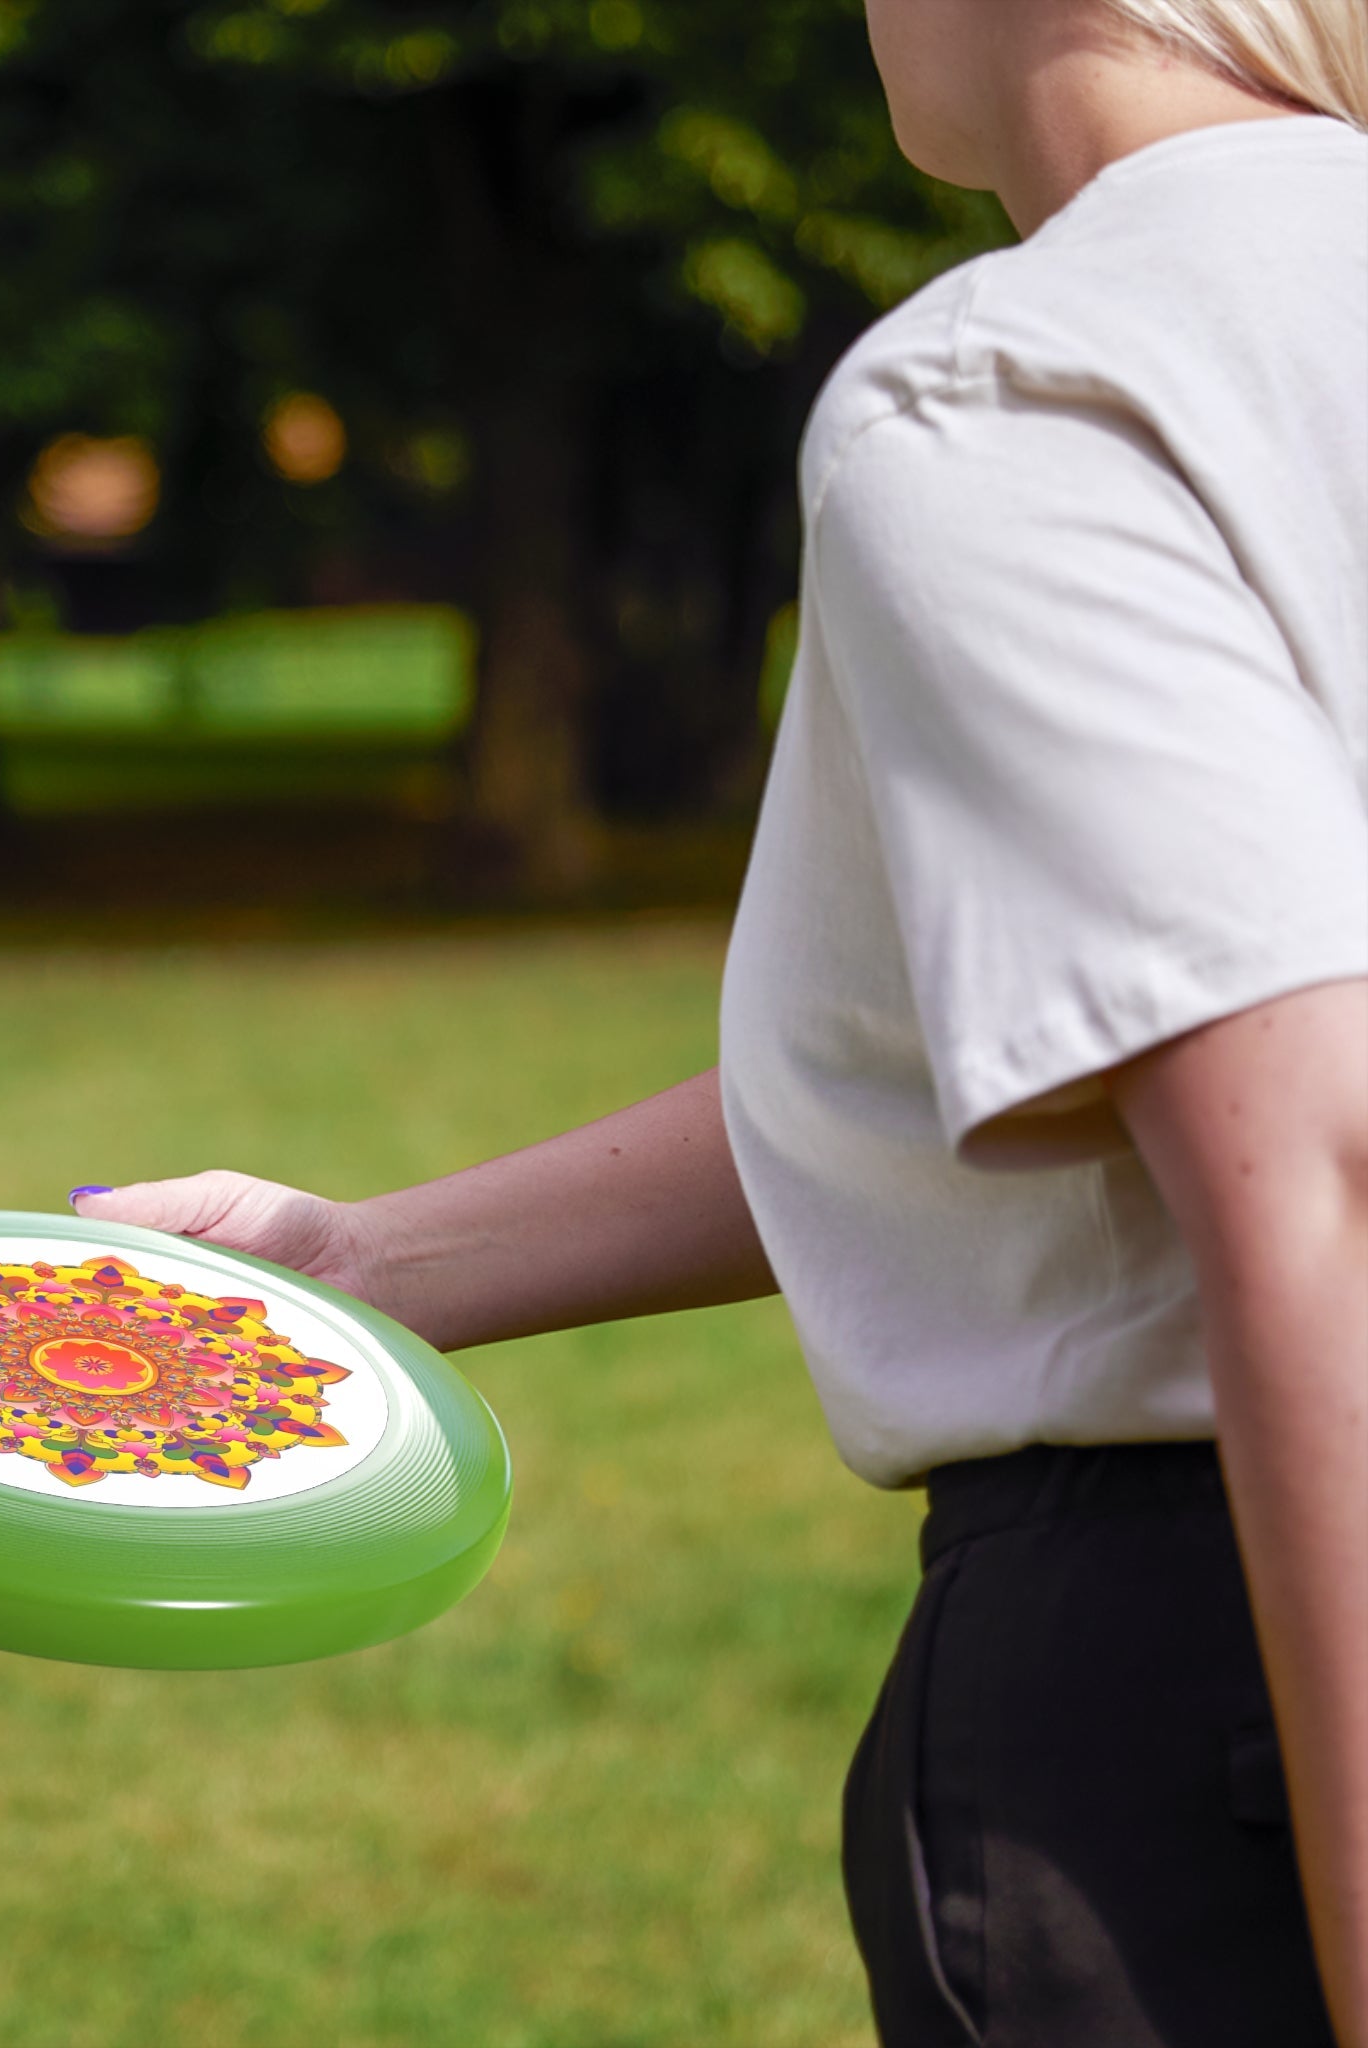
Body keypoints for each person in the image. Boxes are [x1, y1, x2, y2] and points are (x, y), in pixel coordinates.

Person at [67, 2, 1368, 2041]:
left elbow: (1318, 1166)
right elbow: (1041, 1050)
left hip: (1221, 1689)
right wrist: (364, 1261)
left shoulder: (1025, 383)